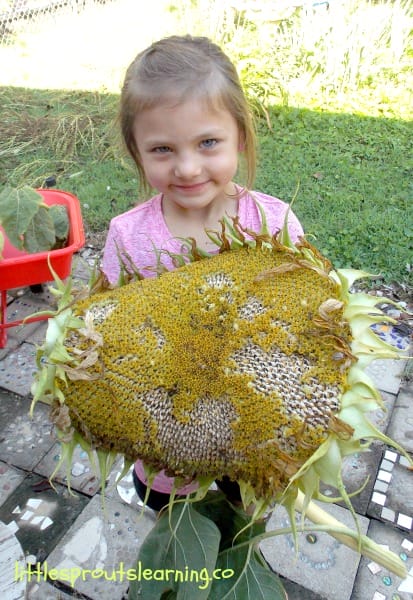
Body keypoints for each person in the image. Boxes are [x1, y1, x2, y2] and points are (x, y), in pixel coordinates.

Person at [102, 35, 304, 511]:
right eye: (163, 149)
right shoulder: (129, 238)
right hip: (166, 427)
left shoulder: (273, 226)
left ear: (241, 136)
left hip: (253, 422)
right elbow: (105, 333)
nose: (188, 168)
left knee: (244, 503)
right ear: (136, 151)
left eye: (208, 143)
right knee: (172, 512)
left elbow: (306, 320)